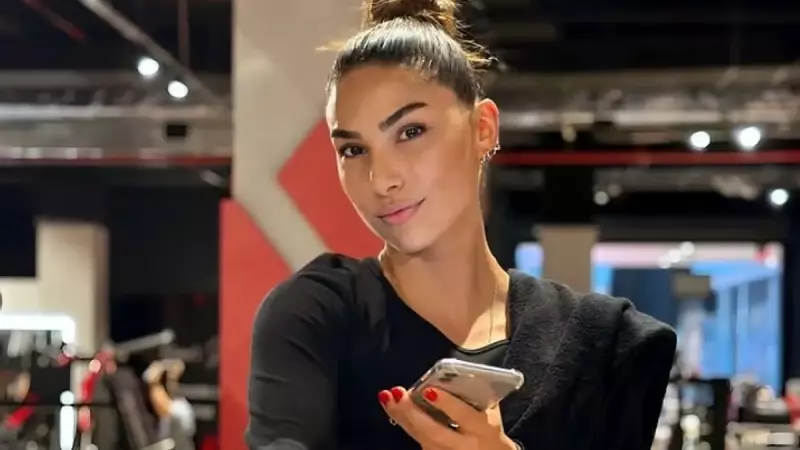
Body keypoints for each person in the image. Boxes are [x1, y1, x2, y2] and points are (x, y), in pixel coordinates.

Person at [246, 0, 677, 449]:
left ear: (483, 128)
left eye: (410, 132)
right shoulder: (319, 316)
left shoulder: (601, 344)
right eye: (353, 150)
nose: (381, 179)